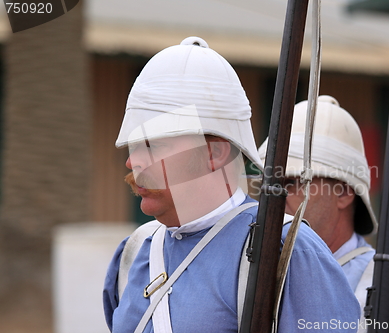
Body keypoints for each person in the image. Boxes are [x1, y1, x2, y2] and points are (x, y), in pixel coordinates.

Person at [103, 38, 360, 333]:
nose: (133, 162)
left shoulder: (288, 251)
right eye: (136, 145)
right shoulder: (135, 251)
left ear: (214, 153)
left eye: (156, 145)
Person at [258, 95, 389, 332]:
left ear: (343, 193)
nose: (274, 196)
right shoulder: (255, 275)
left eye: (291, 182)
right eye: (269, 184)